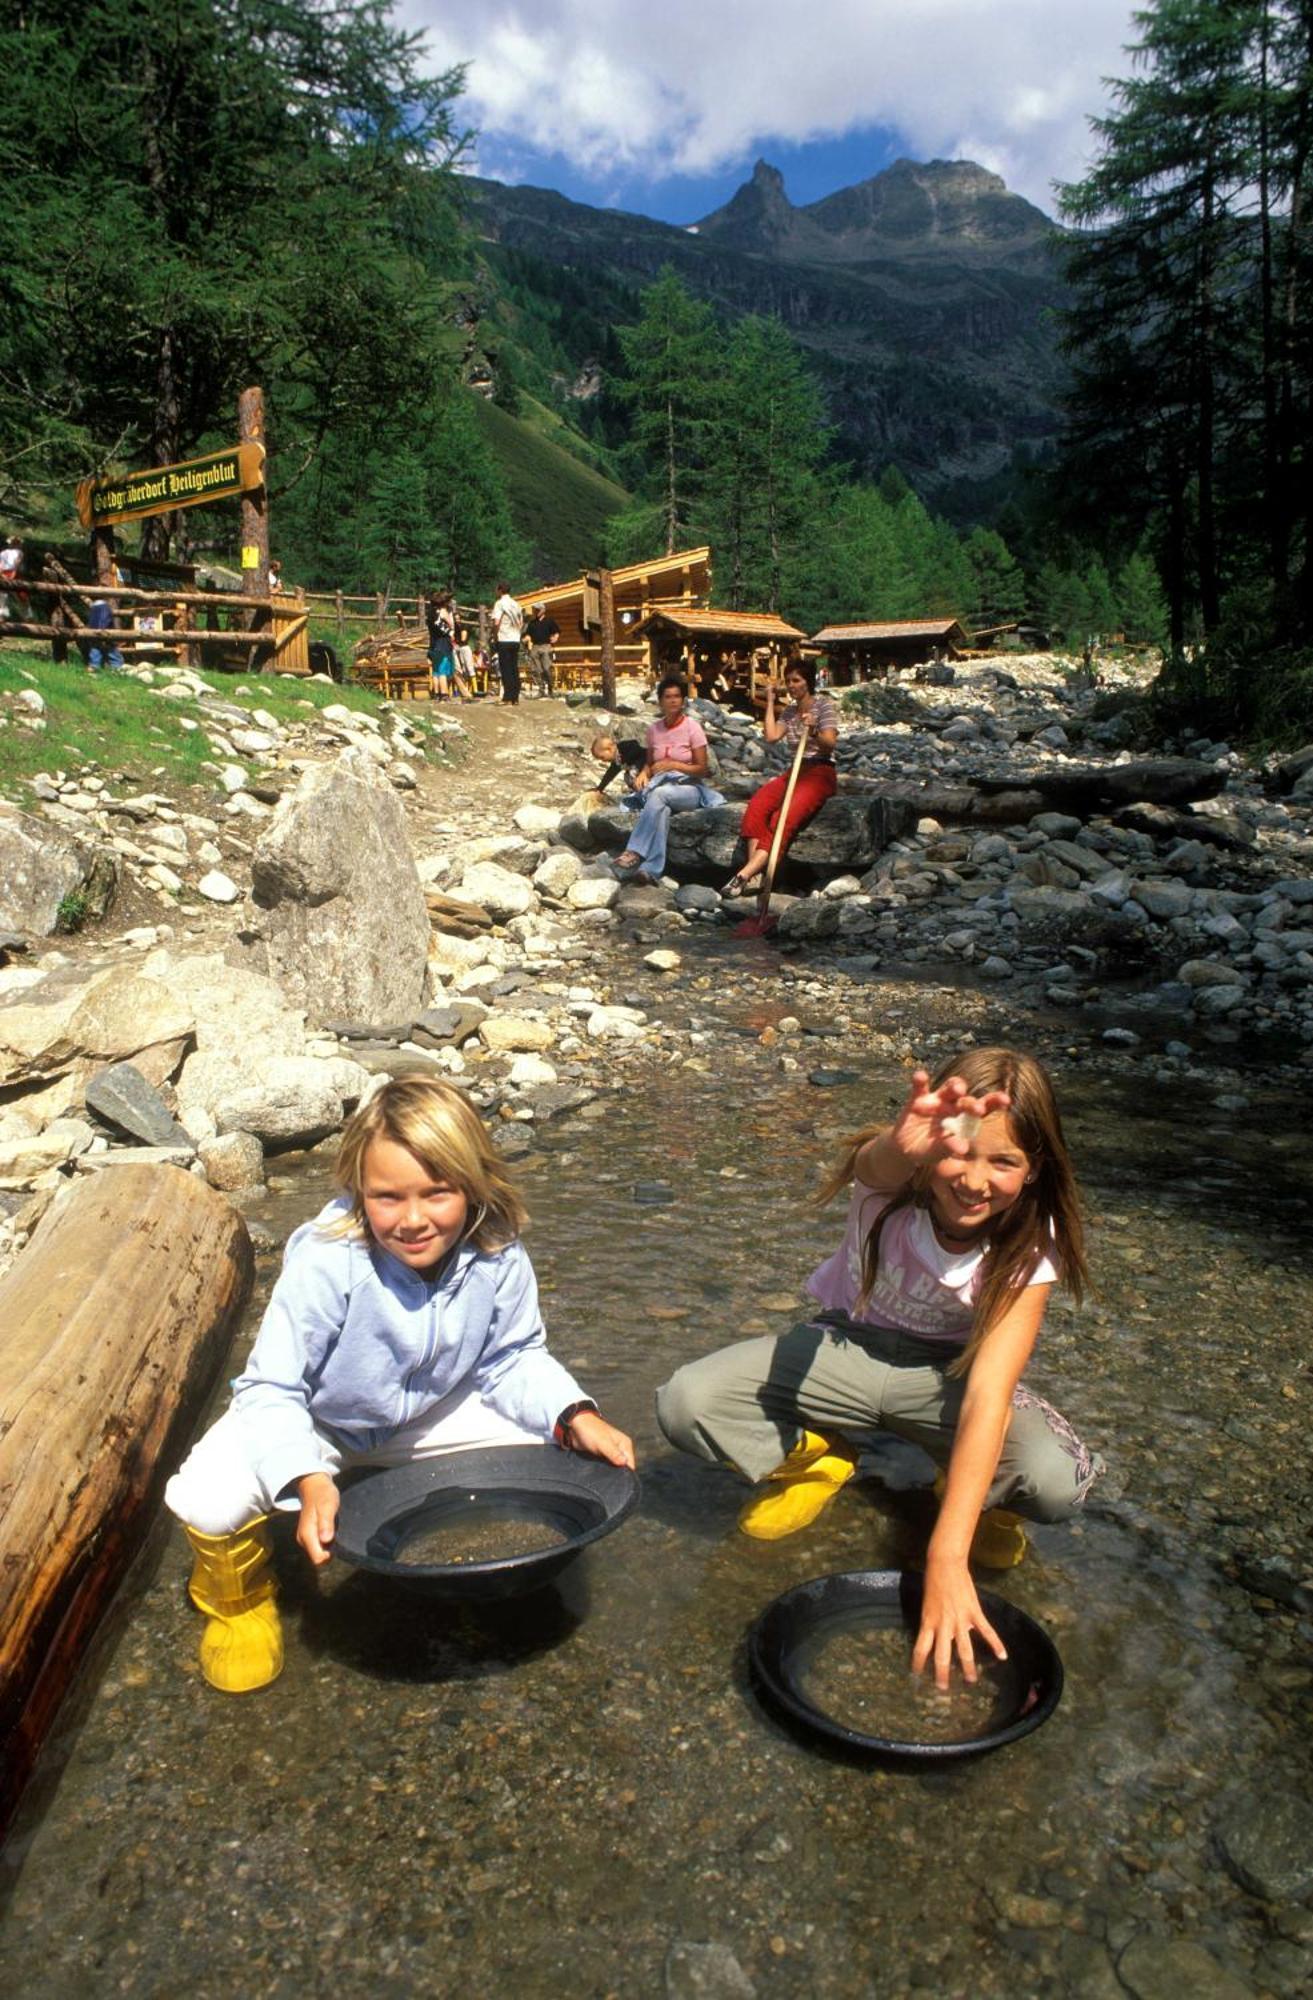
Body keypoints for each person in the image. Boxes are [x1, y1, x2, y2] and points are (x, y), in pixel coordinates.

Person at [165, 1077, 635, 1693]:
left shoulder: (496, 1250)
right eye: (387, 1197)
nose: (413, 1220)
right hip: (320, 1419)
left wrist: (574, 1413)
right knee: (207, 1498)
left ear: (473, 1184)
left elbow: (514, 1357)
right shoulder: (331, 1259)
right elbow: (270, 1389)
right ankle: (238, 1601)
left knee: (563, 1450)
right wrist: (305, 1476)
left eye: (437, 1193)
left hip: (434, 1411)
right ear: (359, 1191)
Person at [655, 1048, 1100, 1689]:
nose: (975, 1182)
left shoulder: (1031, 1244)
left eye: (1004, 1161)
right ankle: (818, 1456)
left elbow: (986, 1397)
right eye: (960, 1153)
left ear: (1034, 1172)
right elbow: (877, 1161)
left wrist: (946, 1557)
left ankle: (981, 1505)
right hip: (849, 1348)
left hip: (948, 1378)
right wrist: (905, 1142)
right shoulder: (895, 1177)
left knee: (1056, 1481)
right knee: (688, 1402)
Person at [721, 660, 840, 899]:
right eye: (789, 681)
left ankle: (743, 875)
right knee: (758, 805)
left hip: (820, 772)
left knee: (781, 817)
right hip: (796, 771)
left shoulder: (824, 706)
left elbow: (830, 744)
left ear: (808, 682)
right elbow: (772, 736)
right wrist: (771, 703)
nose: (792, 685)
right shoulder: (789, 711)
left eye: (796, 680)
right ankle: (756, 873)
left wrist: (814, 730)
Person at [611, 675, 725, 885]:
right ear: (661, 701)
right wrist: (645, 773)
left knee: (660, 795)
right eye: (668, 697)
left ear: (683, 700)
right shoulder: (654, 730)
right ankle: (650, 870)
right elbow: (651, 762)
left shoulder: (693, 728)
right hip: (661, 787)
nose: (673, 701)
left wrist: (674, 765)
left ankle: (634, 850)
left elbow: (704, 769)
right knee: (660, 807)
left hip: (689, 788)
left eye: (677, 696)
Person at [492, 581, 524, 705]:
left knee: (505, 668)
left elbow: (496, 622)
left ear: (500, 590)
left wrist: (495, 635)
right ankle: (515, 697)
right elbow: (521, 623)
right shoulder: (516, 604)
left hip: (504, 638)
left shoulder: (499, 603)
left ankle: (507, 697)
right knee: (514, 667)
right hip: (515, 638)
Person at [426, 588, 457, 700]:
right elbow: (451, 626)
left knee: (436, 670)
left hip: (433, 643)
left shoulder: (431, 614)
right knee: (443, 669)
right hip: (443, 643)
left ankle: (437, 693)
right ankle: (444, 693)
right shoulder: (443, 612)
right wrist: (450, 624)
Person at [525, 601, 560, 697]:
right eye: (535, 609)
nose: (536, 611)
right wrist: (526, 639)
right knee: (536, 669)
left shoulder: (550, 621)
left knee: (546, 669)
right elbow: (528, 635)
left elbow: (556, 632)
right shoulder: (532, 623)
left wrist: (555, 638)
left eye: (538, 609)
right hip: (535, 647)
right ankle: (541, 690)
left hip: (546, 646)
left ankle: (550, 688)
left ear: (543, 610)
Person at [86, 592, 125, 671]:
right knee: (111, 650)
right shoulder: (105, 607)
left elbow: (91, 622)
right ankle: (117, 667)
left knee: (95, 649)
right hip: (105, 632)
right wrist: (104, 630)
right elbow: (105, 619)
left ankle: (93, 666)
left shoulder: (93, 608)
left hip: (93, 633)